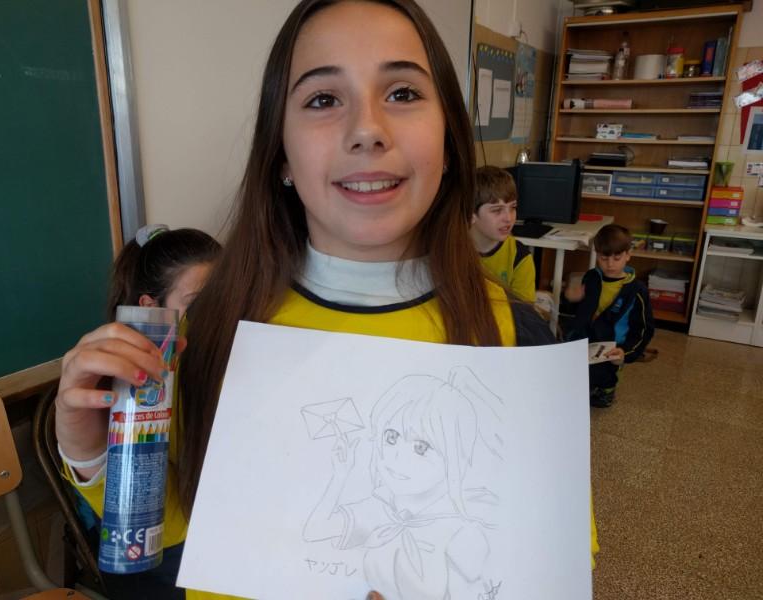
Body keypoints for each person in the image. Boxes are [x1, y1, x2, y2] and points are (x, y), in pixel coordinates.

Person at [53, 2, 588, 599]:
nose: (367, 129)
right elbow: (182, 534)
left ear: (449, 139)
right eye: (323, 99)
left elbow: (545, 572)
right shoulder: (213, 325)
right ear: (281, 153)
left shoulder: (518, 342)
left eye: (403, 93)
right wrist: (94, 454)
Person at [74, 224, 220, 599]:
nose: (219, 315)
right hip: (161, 549)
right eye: (199, 304)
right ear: (150, 308)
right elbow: (160, 526)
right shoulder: (134, 386)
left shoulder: (226, 357)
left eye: (227, 298)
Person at [304, 367, 504, 599]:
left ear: (454, 458)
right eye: (391, 437)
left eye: (421, 447)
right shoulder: (381, 509)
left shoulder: (459, 531)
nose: (397, 458)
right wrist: (340, 475)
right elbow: (315, 530)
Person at [563, 223, 654, 407]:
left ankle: (606, 391)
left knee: (603, 374)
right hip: (585, 338)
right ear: (597, 255)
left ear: (628, 254)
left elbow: (644, 328)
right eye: (604, 258)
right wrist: (570, 298)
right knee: (569, 371)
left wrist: (626, 352)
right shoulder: (592, 277)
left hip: (612, 345)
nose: (610, 264)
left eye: (617, 258)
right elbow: (577, 311)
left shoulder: (637, 291)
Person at [470, 165, 536, 303]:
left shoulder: (519, 257)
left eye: (513, 207)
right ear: (471, 215)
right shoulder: (451, 251)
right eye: (497, 210)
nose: (509, 218)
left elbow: (524, 312)